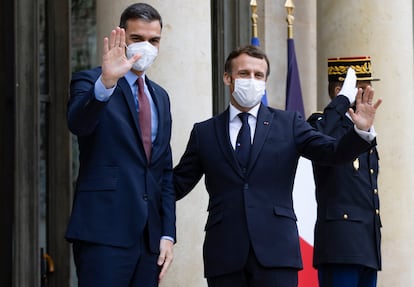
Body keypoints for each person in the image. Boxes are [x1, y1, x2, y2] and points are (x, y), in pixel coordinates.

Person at [173, 45, 381, 287]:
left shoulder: (288, 123)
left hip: (277, 254)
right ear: (227, 78)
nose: (252, 80)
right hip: (225, 255)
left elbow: (332, 153)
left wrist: (361, 132)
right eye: (244, 74)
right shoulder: (204, 132)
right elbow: (176, 184)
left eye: (258, 75)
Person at [65, 3, 175, 286]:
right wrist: (106, 82)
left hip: (149, 240)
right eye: (138, 39)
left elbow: (163, 170)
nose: (146, 47)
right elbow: (79, 123)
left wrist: (167, 234)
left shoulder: (160, 96)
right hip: (103, 233)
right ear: (122, 37)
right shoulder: (91, 81)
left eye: (154, 40)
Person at [307, 56, 381, 287]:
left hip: (367, 245)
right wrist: (340, 102)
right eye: (361, 88)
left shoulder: (364, 130)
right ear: (342, 90)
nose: (368, 93)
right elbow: (316, 139)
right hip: (340, 244)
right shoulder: (323, 122)